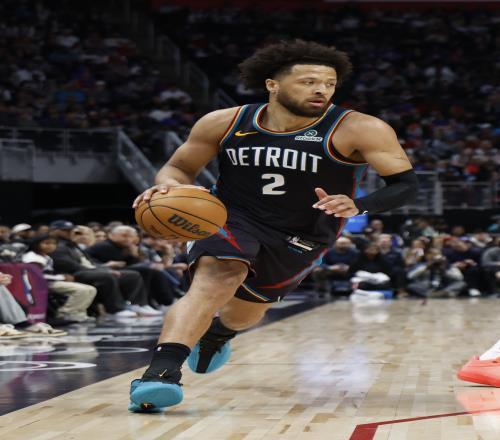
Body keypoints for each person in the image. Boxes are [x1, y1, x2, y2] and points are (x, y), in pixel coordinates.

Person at [128, 39, 418, 412]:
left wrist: (360, 204)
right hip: (232, 217)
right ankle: (160, 374)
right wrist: (170, 185)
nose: (321, 90)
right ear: (272, 84)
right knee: (217, 278)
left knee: (245, 312)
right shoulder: (225, 122)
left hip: (304, 232)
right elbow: (179, 167)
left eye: (329, 84)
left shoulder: (360, 128)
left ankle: (218, 333)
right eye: (309, 82)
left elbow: (405, 185)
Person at [22, 234, 97, 323]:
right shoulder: (32, 258)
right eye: (47, 243)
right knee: (82, 290)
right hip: (39, 284)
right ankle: (65, 313)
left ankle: (78, 313)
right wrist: (61, 277)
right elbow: (37, 276)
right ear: (36, 244)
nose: (51, 246)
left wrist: (61, 276)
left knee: (91, 289)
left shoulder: (45, 256)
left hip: (49, 281)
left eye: (54, 244)